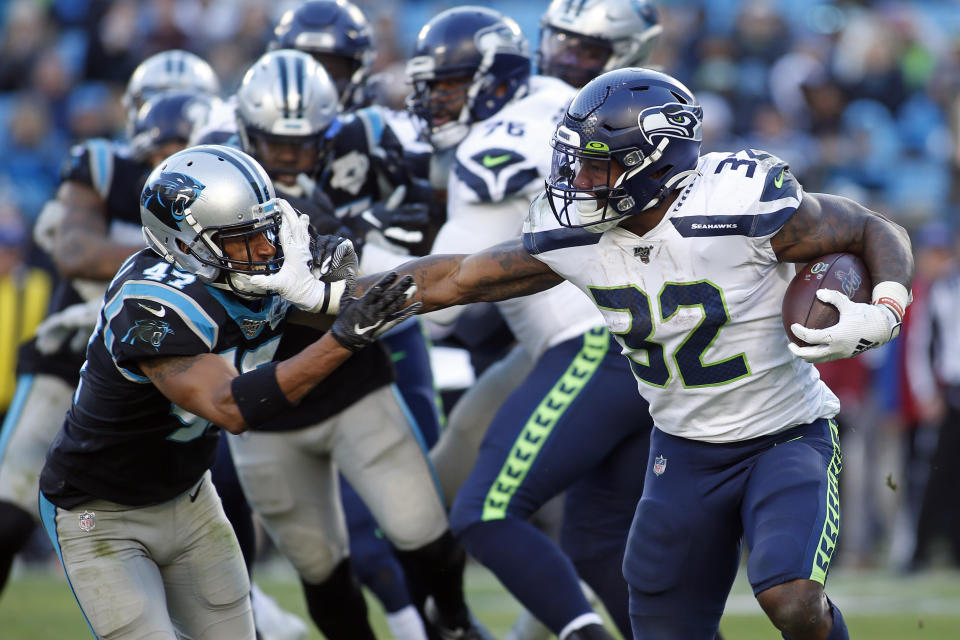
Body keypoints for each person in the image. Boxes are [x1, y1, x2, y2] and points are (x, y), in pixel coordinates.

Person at [371, 67, 914, 640]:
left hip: (785, 433)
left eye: (598, 162)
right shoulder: (575, 230)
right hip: (681, 450)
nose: (579, 178)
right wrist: (331, 294)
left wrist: (885, 310)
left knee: (791, 597)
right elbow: (456, 277)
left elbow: (871, 228)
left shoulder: (737, 202)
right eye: (576, 159)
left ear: (655, 162)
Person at [38, 143, 415, 640]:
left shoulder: (245, 277)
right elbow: (229, 407)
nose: (264, 251)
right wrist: (344, 337)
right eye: (242, 240)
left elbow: (438, 283)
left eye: (265, 233)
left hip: (190, 498)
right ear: (187, 245)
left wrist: (539, 256)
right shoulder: (151, 302)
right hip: (100, 513)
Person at [402, 7, 653, 639]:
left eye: (453, 87)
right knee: (595, 541)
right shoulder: (559, 102)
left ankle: (481, 623)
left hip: (592, 338)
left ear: (491, 80)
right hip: (630, 334)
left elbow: (443, 296)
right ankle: (455, 616)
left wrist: (338, 286)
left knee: (483, 510)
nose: (436, 102)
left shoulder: (499, 142)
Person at [230, 49, 485, 640]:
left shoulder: (354, 162)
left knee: (425, 535)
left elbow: (425, 215)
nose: (289, 157)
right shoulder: (218, 189)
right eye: (275, 143)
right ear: (246, 132)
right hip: (269, 410)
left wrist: (368, 235)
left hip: (352, 389)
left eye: (303, 143)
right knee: (321, 571)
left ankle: (452, 622)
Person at [0, 87, 214, 601]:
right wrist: (185, 252)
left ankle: (255, 618)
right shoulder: (103, 168)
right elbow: (75, 253)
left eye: (183, 152)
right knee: (9, 510)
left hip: (159, 365)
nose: (171, 167)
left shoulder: (220, 199)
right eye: (162, 153)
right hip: (72, 353)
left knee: (187, 517)